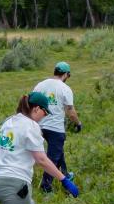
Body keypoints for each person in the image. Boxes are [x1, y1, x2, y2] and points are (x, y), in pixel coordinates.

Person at [32, 62, 80, 193]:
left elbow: (31, 103)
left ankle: (65, 174)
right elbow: (70, 111)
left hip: (38, 125)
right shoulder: (65, 88)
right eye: (68, 76)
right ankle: (45, 186)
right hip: (55, 128)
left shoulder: (40, 85)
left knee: (58, 152)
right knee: (53, 157)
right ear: (66, 74)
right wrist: (78, 123)